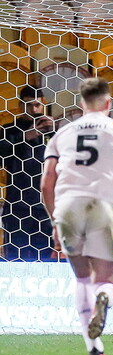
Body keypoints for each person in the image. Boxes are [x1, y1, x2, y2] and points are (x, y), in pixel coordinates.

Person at [40, 77, 113, 355]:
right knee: (106, 280)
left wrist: (55, 221)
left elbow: (47, 181)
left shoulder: (62, 133)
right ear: (108, 102)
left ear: (82, 103)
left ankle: (94, 348)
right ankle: (105, 298)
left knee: (83, 278)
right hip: (104, 205)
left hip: (68, 205)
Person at [0, 85, 56, 261]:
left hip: (46, 208)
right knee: (16, 259)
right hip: (18, 207)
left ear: (43, 105)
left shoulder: (53, 132)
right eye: (28, 104)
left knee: (45, 260)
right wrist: (26, 136)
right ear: (19, 105)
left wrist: (55, 131)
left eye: (37, 105)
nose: (34, 109)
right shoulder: (9, 130)